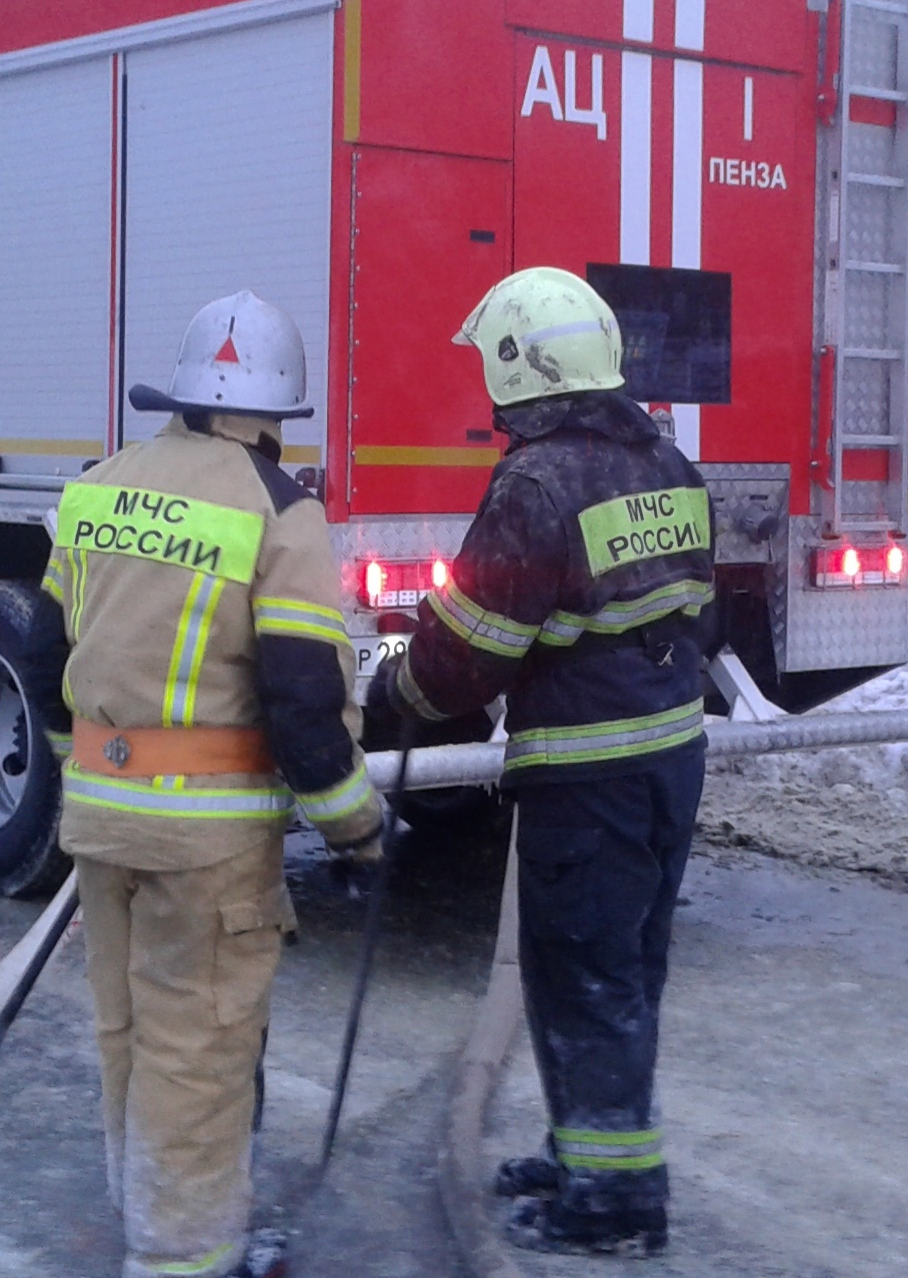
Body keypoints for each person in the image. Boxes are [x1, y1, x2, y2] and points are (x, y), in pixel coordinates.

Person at [23, 290, 384, 1278]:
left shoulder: (100, 485)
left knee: (126, 1030)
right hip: (209, 844)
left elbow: (44, 648)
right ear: (275, 414)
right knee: (200, 1047)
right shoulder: (279, 510)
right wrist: (357, 832)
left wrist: (87, 779)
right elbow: (304, 704)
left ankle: (141, 1214)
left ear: (183, 393)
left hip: (100, 822)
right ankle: (184, 1255)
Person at [366, 267, 717, 1260]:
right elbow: (703, 609)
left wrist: (395, 698)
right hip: (667, 762)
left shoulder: (534, 485)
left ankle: (614, 1202)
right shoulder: (669, 465)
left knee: (579, 972)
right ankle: (589, 1155)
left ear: (519, 366)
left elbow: (467, 652)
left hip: (588, 774)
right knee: (623, 970)